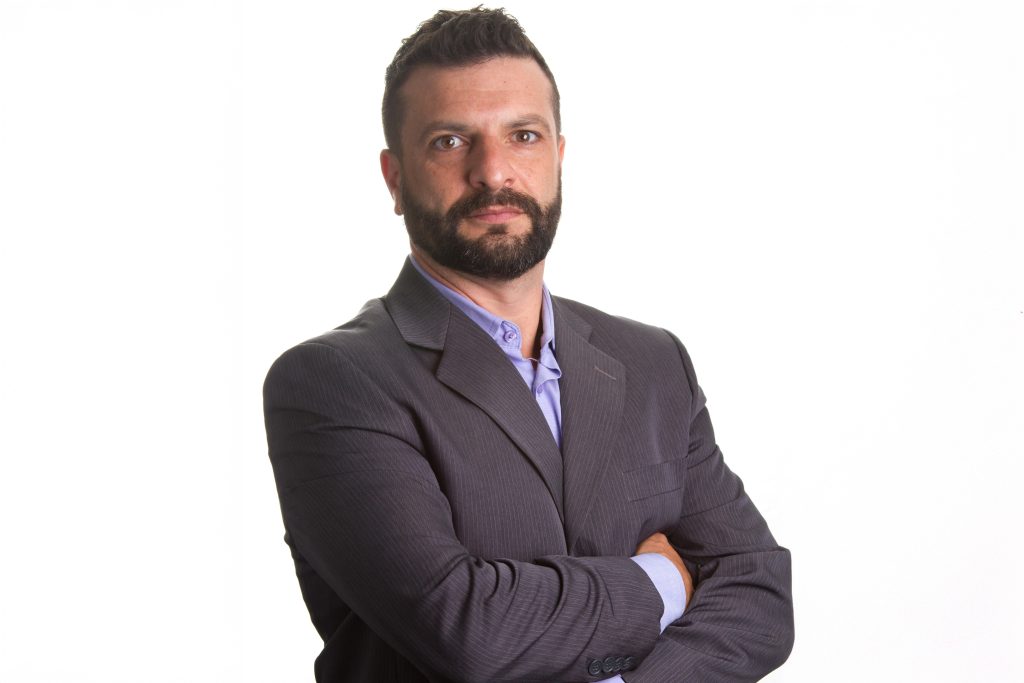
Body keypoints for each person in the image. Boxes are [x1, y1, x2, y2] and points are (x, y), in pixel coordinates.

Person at [263, 7, 794, 682]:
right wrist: (661, 580)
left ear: (558, 157)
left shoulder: (654, 362)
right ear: (395, 178)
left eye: (522, 136)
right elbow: (465, 630)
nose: (494, 171)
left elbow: (758, 591)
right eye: (450, 141)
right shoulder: (333, 381)